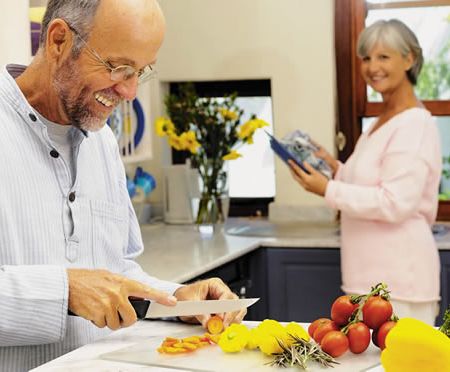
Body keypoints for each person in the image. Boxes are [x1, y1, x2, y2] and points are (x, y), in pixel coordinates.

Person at [0, 1, 245, 370]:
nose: (130, 91)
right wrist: (64, 291)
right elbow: (82, 286)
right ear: (58, 41)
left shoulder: (103, 140)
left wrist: (174, 298)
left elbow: (115, 270)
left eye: (140, 72)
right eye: (118, 68)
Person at [288, 19, 442, 325]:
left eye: (383, 57)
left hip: (400, 284)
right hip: (368, 281)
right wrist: (335, 167)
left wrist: (327, 189)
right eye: (366, 58)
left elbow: (395, 202)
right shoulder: (383, 121)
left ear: (409, 59)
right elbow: (373, 181)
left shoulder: (415, 124)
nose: (372, 67)